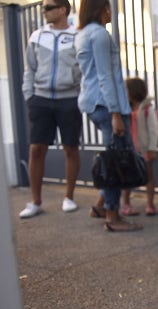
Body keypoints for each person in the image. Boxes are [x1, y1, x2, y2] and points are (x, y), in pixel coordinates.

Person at [76, 0, 142, 232]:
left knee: (113, 154)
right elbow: (105, 76)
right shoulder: (100, 36)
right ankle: (113, 217)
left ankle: (100, 206)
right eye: (110, 7)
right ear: (102, 9)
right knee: (116, 160)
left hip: (94, 102)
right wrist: (116, 113)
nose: (112, 11)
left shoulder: (83, 34)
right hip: (107, 105)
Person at [19, 0, 82, 219]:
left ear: (63, 9)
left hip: (69, 99)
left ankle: (69, 197)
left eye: (49, 7)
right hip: (41, 99)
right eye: (44, 7)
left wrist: (79, 95)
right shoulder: (37, 36)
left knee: (71, 148)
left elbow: (82, 68)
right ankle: (36, 202)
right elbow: (30, 69)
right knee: (36, 149)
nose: (44, 11)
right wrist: (30, 96)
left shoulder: (77, 36)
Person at [120, 77, 158, 216]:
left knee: (149, 176)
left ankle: (150, 204)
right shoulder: (126, 109)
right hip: (130, 151)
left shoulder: (147, 109)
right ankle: (126, 204)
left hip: (144, 150)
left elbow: (154, 130)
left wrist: (152, 148)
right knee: (127, 179)